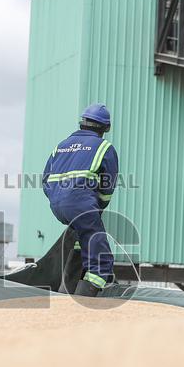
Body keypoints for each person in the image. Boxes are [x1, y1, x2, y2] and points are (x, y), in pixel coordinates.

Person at [42, 103, 119, 297]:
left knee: (82, 237)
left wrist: (58, 199)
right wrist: (96, 207)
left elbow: (45, 179)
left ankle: (66, 288)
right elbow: (107, 187)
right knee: (101, 256)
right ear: (105, 128)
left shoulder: (61, 146)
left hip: (57, 204)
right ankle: (89, 295)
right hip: (81, 203)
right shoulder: (104, 147)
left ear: (82, 123)